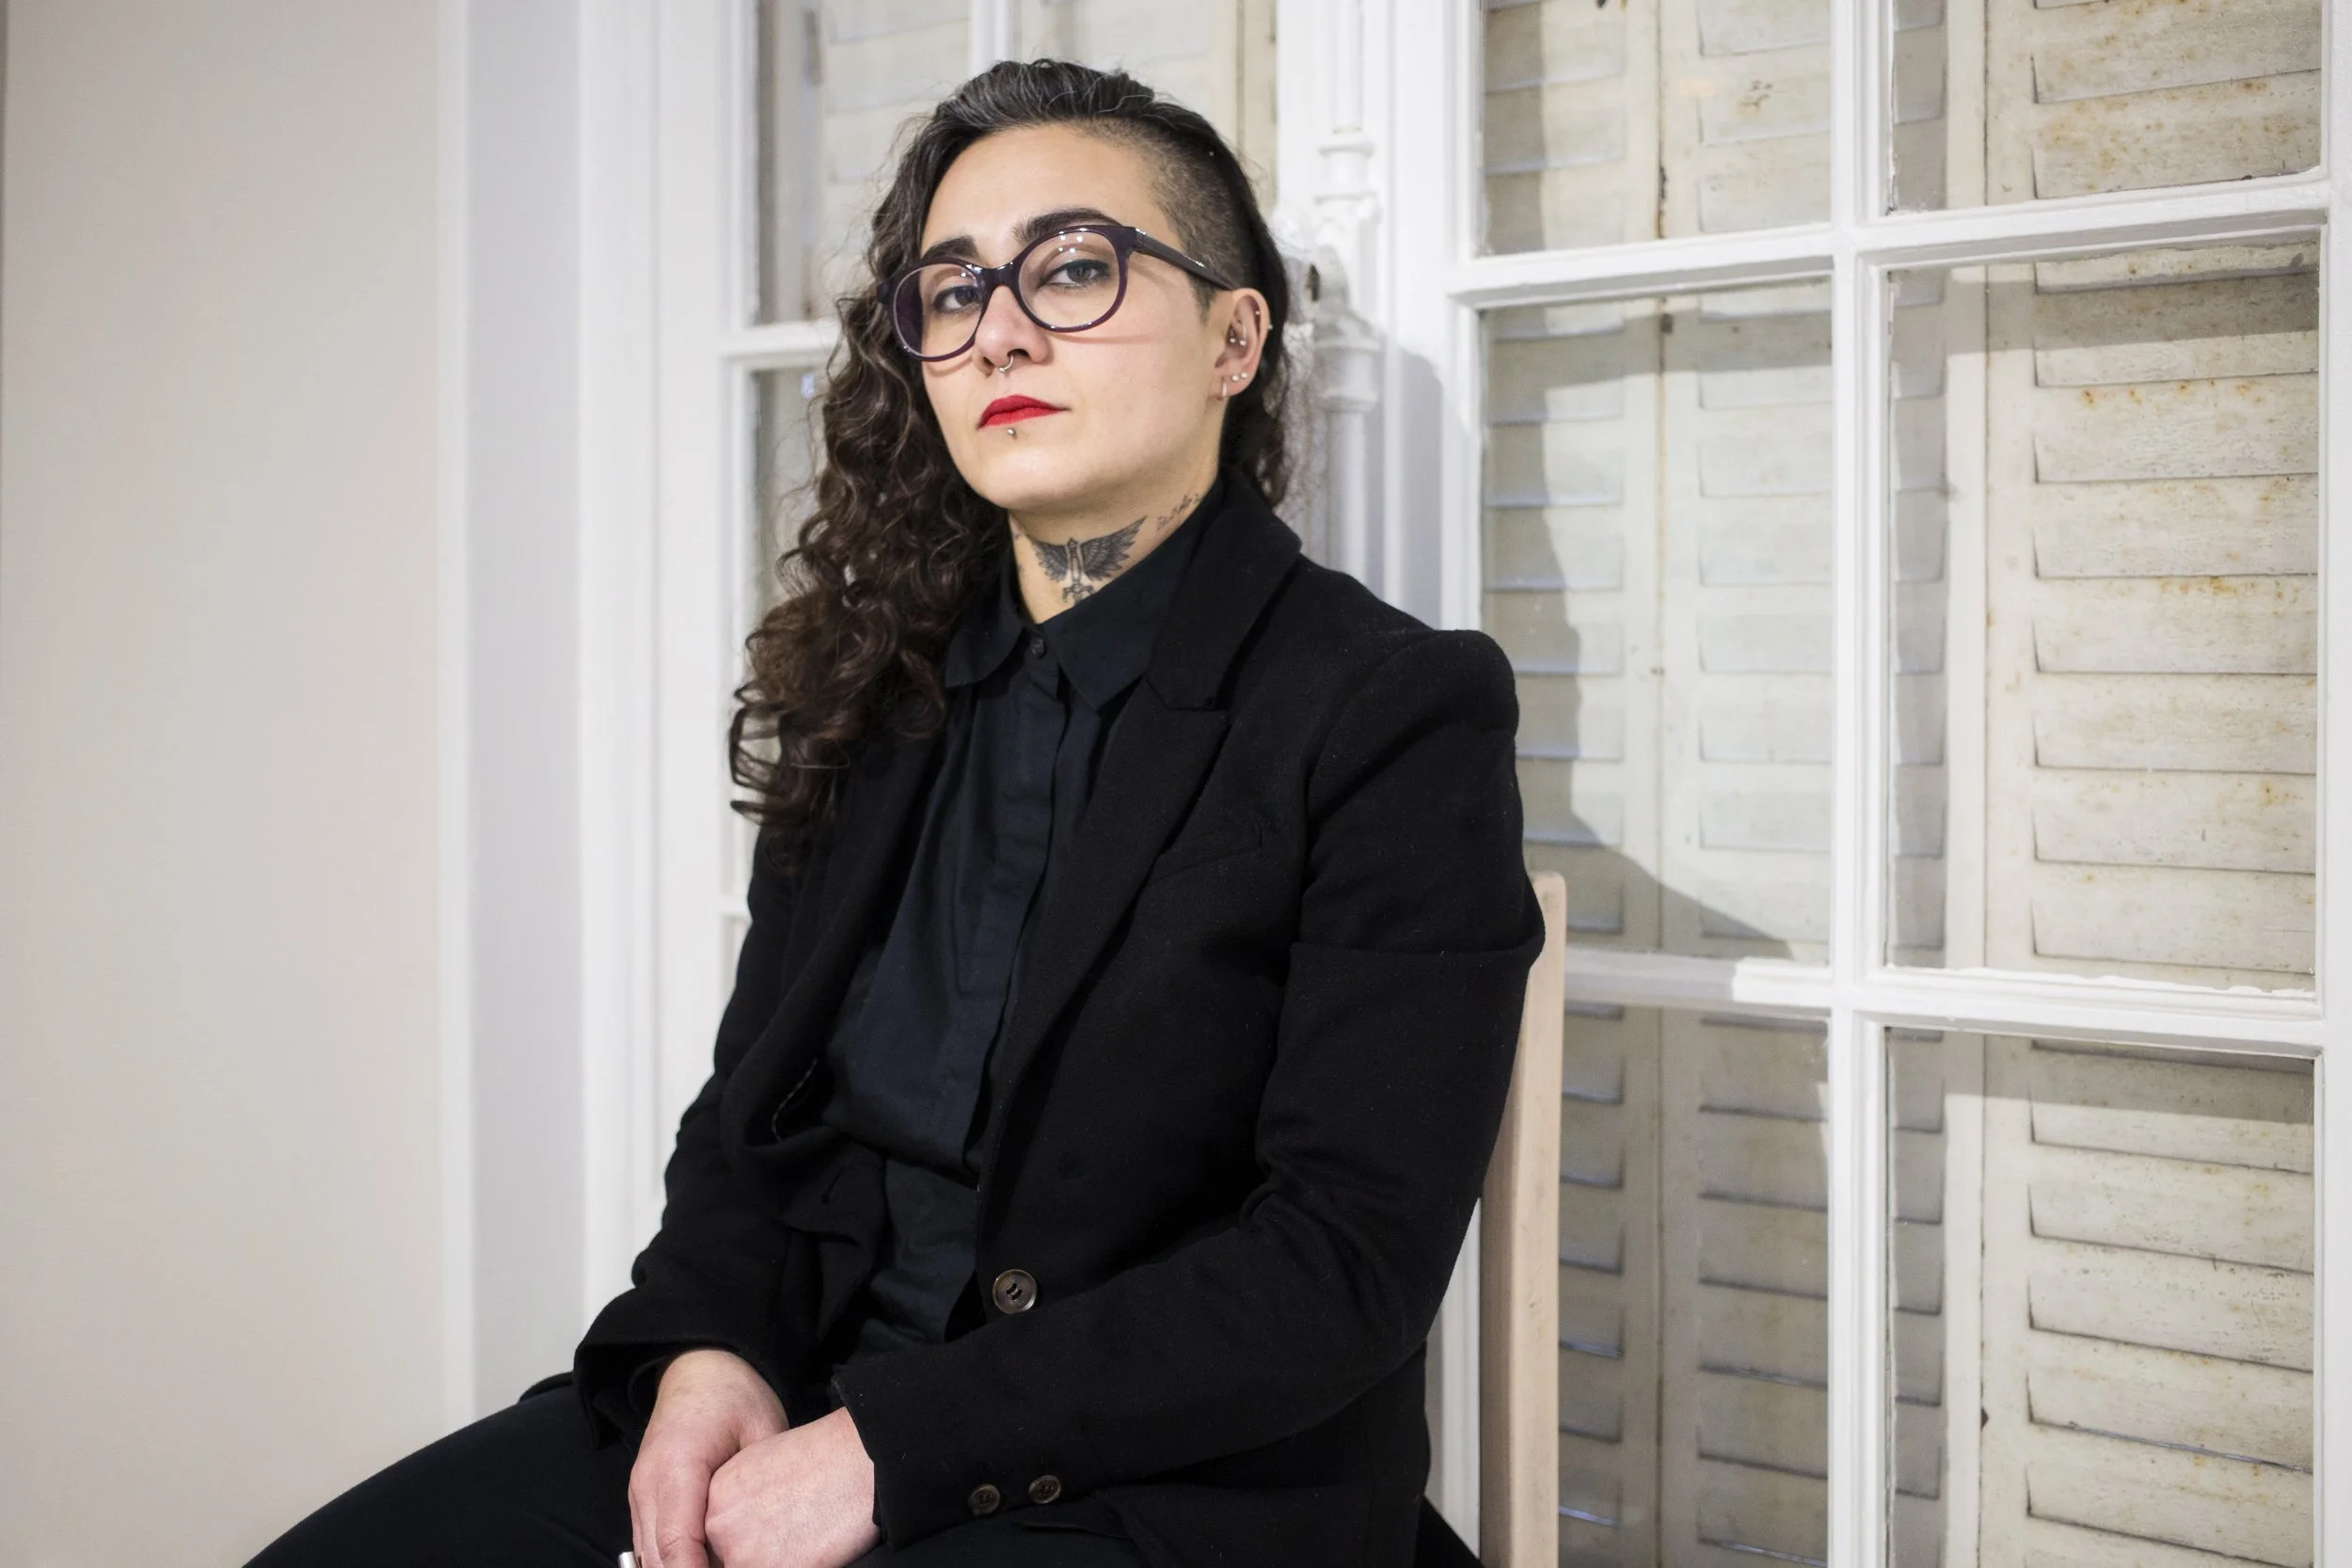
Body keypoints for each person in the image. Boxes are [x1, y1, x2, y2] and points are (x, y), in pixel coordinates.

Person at [247, 57, 1540, 1568]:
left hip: (1153, 1487)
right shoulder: (870, 689)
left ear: (1233, 335)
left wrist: (898, 1447)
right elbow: (745, 1129)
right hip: (805, 1393)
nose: (997, 327)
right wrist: (707, 1356)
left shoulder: (1390, 706)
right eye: (950, 291)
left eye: (1072, 269)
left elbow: (1338, 1266)